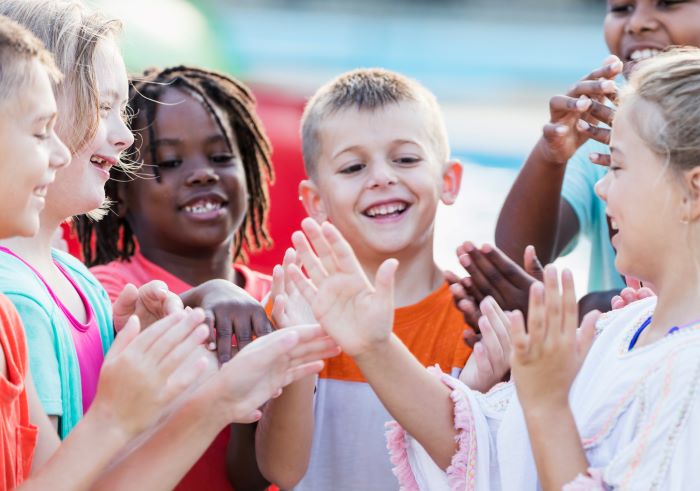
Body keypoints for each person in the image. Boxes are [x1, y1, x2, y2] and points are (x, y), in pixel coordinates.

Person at [289, 47, 700, 490]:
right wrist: (374, 346)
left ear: (691, 190)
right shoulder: (618, 331)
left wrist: (546, 403)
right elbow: (486, 452)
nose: (601, 188)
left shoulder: (688, 371)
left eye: (616, 166)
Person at [0, 0, 271, 440]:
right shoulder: (21, 299)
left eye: (121, 110)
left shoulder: (76, 279)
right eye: (103, 106)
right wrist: (207, 406)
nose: (126, 136)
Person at [256, 68, 511, 491]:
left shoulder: (478, 325)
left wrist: (470, 394)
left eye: (406, 159)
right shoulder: (297, 310)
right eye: (353, 167)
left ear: (448, 182)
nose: (381, 177)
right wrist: (299, 350)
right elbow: (281, 471)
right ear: (315, 202)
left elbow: (480, 469)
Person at [79, 65, 276, 491]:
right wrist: (208, 295)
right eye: (170, 161)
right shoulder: (103, 291)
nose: (203, 173)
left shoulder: (280, 297)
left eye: (221, 156)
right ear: (122, 191)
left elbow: (257, 474)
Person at [495, 0, 700, 314]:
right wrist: (551, 157)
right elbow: (519, 260)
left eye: (668, 3)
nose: (637, 24)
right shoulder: (606, 130)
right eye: (621, 8)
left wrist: (605, 309)